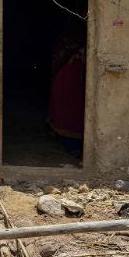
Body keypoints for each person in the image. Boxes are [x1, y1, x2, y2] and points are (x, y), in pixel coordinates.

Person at [47, 21, 86, 157]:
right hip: (68, 83)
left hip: (76, 85)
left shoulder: (79, 52)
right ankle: (72, 146)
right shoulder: (69, 63)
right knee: (69, 113)